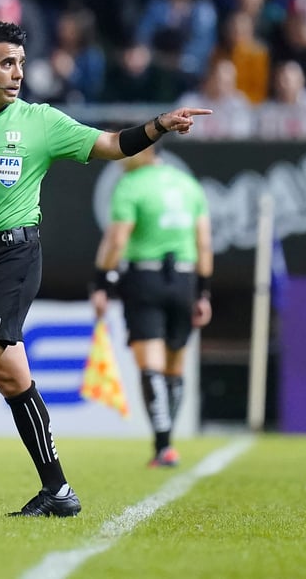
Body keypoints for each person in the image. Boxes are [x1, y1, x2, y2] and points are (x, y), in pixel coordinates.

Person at [0, 21, 211, 518]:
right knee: (12, 380)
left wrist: (160, 124)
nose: (18, 73)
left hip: (15, 257)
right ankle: (57, 490)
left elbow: (112, 145)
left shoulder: (39, 121)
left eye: (20, 62)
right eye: (6, 63)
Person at [88, 143, 213, 468]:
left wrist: (101, 284)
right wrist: (203, 293)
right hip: (185, 280)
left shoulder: (130, 185)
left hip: (145, 278)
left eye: (124, 150)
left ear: (145, 151)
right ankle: (167, 439)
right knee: (175, 365)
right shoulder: (188, 184)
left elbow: (116, 240)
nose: (117, 159)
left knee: (151, 366)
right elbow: (204, 243)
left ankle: (163, 445)